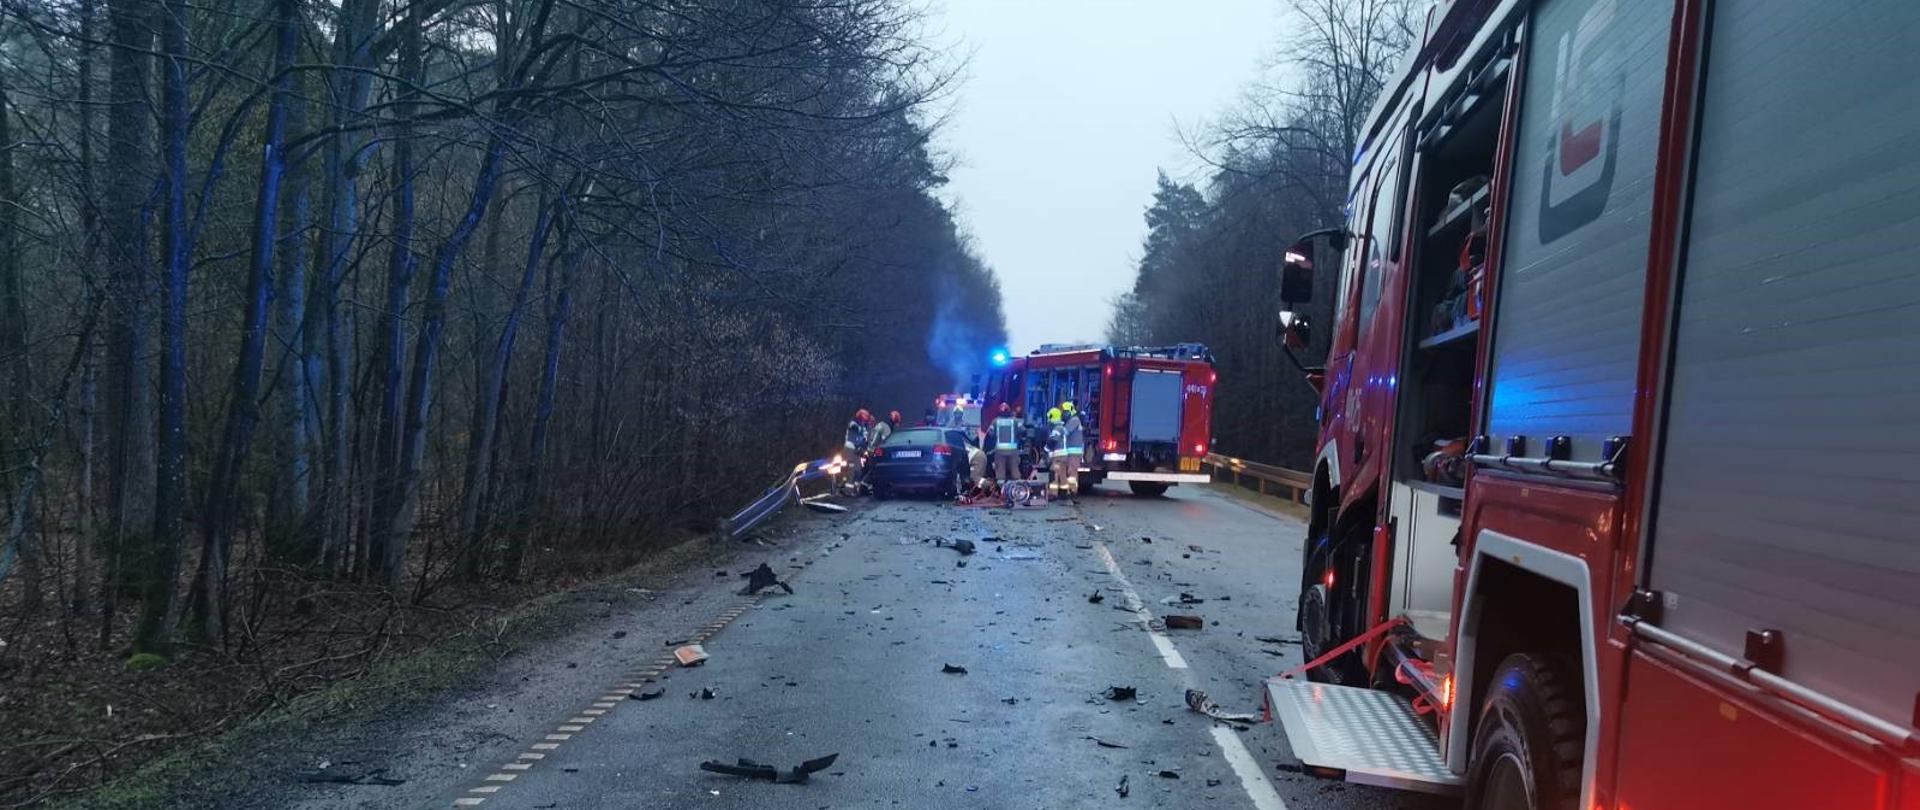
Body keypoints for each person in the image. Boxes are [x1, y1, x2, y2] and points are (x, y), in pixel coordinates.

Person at [989, 403, 1021, 483]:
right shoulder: (1015, 421)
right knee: (1015, 471)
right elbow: (1023, 431)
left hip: (1000, 451)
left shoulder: (995, 421)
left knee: (1000, 473)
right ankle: (1017, 490)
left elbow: (990, 434)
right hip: (1013, 451)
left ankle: (1001, 491)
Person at [1060, 401, 1084, 501]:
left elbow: (1065, 432)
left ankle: (1073, 493)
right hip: (1070, 451)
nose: (1063, 414)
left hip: (1074, 452)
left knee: (1072, 472)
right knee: (1067, 472)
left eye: (1064, 412)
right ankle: (1067, 492)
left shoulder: (1074, 420)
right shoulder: (1071, 420)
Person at [1045, 407, 1069, 498]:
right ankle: (1064, 493)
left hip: (1058, 456)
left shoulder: (1057, 429)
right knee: (1062, 474)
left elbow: (1053, 441)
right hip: (1063, 456)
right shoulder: (1062, 427)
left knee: (1054, 473)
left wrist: (1046, 449)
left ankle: (1053, 493)